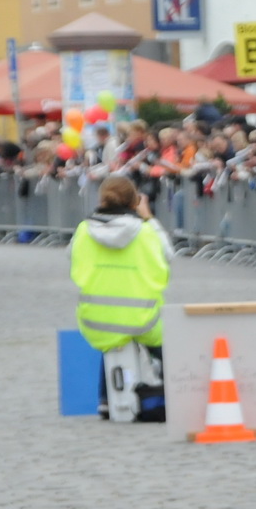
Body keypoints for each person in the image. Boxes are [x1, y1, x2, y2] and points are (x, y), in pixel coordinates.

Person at [70, 175, 172, 419]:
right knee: (163, 345)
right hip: (142, 314)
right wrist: (149, 218)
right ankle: (175, 389)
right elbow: (168, 254)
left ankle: (106, 399)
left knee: (113, 343)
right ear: (135, 201)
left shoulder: (85, 229)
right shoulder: (145, 231)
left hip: (97, 316)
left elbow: (70, 254)